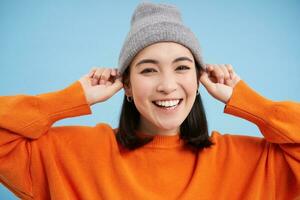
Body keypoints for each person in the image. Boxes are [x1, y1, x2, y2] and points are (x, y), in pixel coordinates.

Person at [0, 2, 299, 200]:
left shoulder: (254, 163)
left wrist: (253, 104)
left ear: (198, 80)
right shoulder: (70, 155)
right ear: (126, 84)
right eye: (148, 70)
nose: (167, 85)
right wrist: (70, 98)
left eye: (182, 67)